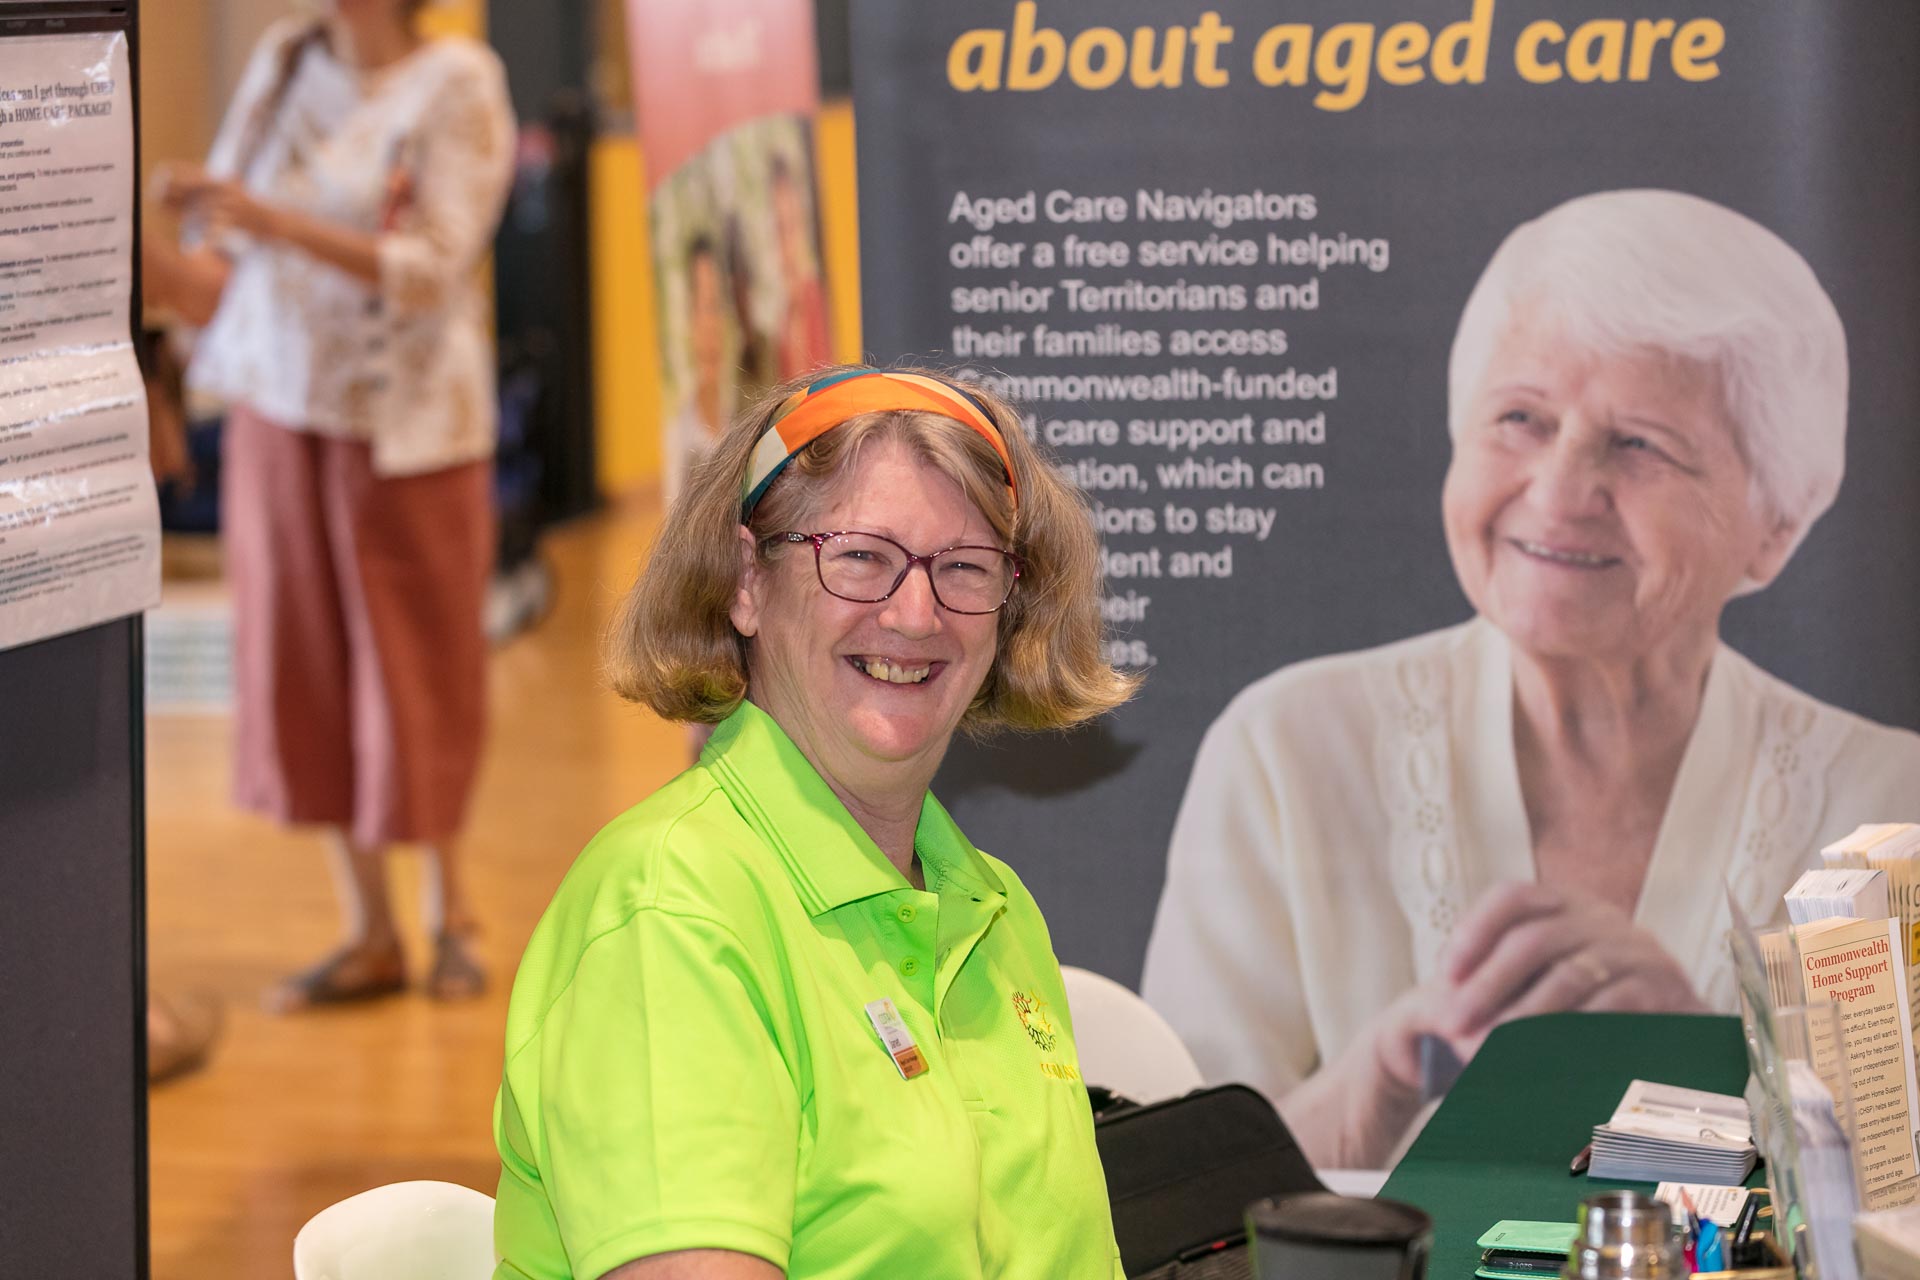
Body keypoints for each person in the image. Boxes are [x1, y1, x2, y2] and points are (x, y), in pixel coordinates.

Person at [1141, 189, 1920, 1169]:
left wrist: (1706, 1064)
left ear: (1777, 524)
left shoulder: (1888, 813)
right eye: (1521, 417)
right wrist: (1380, 1076)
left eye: (1640, 443)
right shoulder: (1286, 750)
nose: (1559, 491)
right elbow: (1173, 1200)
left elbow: (1895, 1208)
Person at [493, 366, 1137, 1279]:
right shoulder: (670, 914)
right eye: (861, 557)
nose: (914, 614)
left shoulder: (994, 909)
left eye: (964, 567)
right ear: (746, 581)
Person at [143, 0, 515, 1010]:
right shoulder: (283, 61)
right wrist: (126, 234)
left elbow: (434, 266)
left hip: (407, 428)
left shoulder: (457, 80)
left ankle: (453, 915)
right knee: (303, 670)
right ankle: (370, 930)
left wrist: (271, 221)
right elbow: (217, 266)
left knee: (418, 670)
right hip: (278, 408)